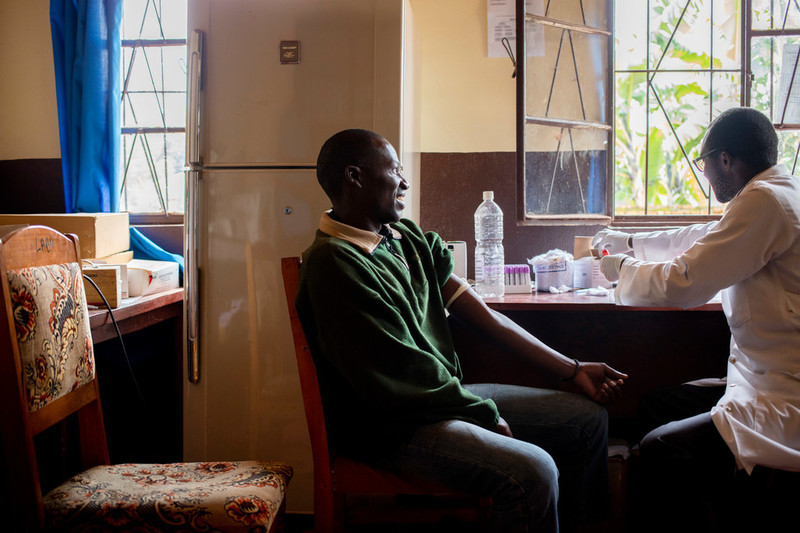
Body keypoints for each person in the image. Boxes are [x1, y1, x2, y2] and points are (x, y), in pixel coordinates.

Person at [296, 128, 628, 532]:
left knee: (587, 421)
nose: (403, 182)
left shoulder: (404, 238)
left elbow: (487, 317)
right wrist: (481, 414)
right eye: (394, 170)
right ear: (354, 177)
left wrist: (573, 370)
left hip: (438, 403)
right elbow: (402, 374)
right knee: (533, 473)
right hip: (391, 429)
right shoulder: (332, 263)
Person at [595, 107, 800, 529]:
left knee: (660, 448)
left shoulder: (766, 202)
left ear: (725, 159)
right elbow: (702, 237)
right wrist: (629, 241)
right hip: (760, 378)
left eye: (704, 162)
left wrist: (619, 270)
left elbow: (684, 282)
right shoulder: (774, 193)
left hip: (783, 394)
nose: (705, 173)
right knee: (655, 404)